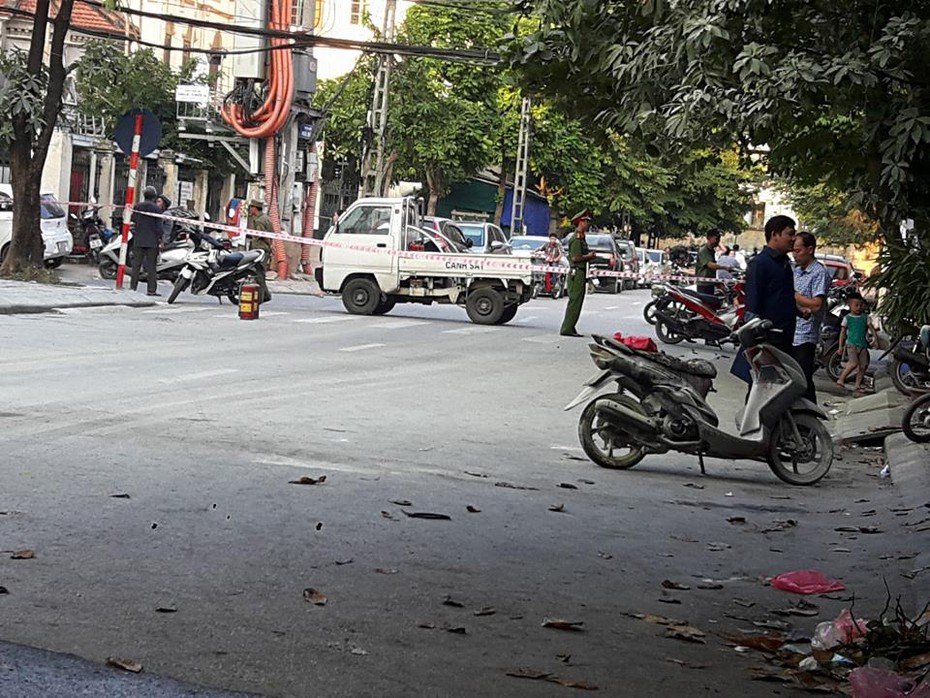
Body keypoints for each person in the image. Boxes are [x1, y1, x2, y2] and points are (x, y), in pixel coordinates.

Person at [731, 215, 797, 383]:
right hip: (767, 339)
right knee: (761, 389)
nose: (793, 239)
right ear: (775, 234)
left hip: (784, 337)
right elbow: (752, 308)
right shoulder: (760, 264)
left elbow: (780, 297)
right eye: (789, 234)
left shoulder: (784, 264)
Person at [791, 231, 832, 402]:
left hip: (805, 336)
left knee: (803, 380)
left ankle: (810, 419)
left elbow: (816, 304)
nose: (794, 254)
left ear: (810, 249)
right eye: (793, 250)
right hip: (791, 331)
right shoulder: (797, 270)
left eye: (798, 251)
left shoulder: (818, 273)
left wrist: (793, 295)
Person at [560, 211, 597, 337]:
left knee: (578, 301)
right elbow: (576, 258)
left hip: (581, 273)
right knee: (575, 301)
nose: (587, 224)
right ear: (580, 222)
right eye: (585, 221)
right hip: (577, 273)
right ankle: (567, 328)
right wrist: (589, 256)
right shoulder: (576, 239)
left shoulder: (581, 237)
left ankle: (571, 326)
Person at [836, 292, 875, 393]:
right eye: (856, 305)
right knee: (853, 363)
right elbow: (842, 333)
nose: (859, 307)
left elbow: (872, 330)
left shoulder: (866, 318)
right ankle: (841, 379)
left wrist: (876, 340)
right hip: (851, 344)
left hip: (863, 345)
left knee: (863, 366)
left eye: (860, 305)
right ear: (850, 306)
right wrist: (840, 346)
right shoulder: (847, 318)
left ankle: (857, 385)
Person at [130, 186, 163, 296]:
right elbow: (159, 227)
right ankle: (151, 290)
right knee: (151, 267)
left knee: (136, 266)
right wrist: (161, 238)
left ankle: (133, 287)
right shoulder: (157, 209)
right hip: (152, 241)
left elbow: (133, 220)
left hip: (139, 240)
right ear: (154, 196)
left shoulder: (137, 206)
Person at [247, 199, 274, 268]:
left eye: (251, 207)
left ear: (255, 208)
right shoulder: (266, 218)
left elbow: (263, 235)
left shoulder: (259, 221)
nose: (250, 209)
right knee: (261, 269)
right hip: (265, 249)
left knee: (258, 270)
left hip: (260, 248)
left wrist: (270, 245)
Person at [695, 229, 722, 295]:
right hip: (704, 284)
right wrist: (725, 268)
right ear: (709, 238)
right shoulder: (703, 250)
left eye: (719, 239)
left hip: (710, 283)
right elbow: (710, 265)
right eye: (716, 238)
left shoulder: (711, 251)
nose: (718, 241)